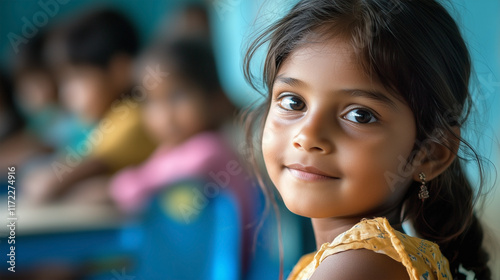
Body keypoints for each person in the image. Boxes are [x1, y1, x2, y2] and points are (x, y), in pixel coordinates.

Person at [243, 0, 492, 279]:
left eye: (360, 115)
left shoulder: (358, 267)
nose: (308, 136)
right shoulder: (357, 261)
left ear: (430, 153)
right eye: (293, 102)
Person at [110, 37, 259, 273]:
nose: (164, 114)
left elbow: (137, 187)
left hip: (220, 269)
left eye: (176, 96)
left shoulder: (211, 150)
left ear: (215, 98)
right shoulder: (171, 150)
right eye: (151, 102)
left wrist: (116, 186)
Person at [22, 8, 156, 203]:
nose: (66, 94)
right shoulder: (105, 123)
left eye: (77, 78)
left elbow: (48, 185)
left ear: (120, 70)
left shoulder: (133, 120)